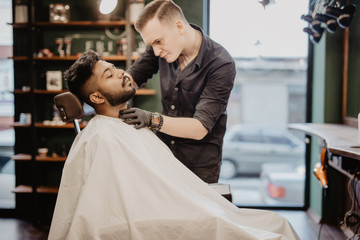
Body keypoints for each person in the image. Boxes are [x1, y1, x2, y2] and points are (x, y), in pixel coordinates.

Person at [48, 50, 299, 240]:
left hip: (176, 203)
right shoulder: (101, 136)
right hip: (159, 217)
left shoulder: (126, 125)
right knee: (267, 232)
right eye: (109, 75)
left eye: (115, 68)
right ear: (97, 97)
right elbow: (110, 207)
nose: (122, 73)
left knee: (277, 223)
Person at [119, 0, 236, 183]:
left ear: (179, 27)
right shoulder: (161, 48)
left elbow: (199, 128)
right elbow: (133, 77)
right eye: (152, 45)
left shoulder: (220, 64)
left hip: (199, 163)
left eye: (158, 42)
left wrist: (152, 119)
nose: (156, 52)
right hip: (164, 153)